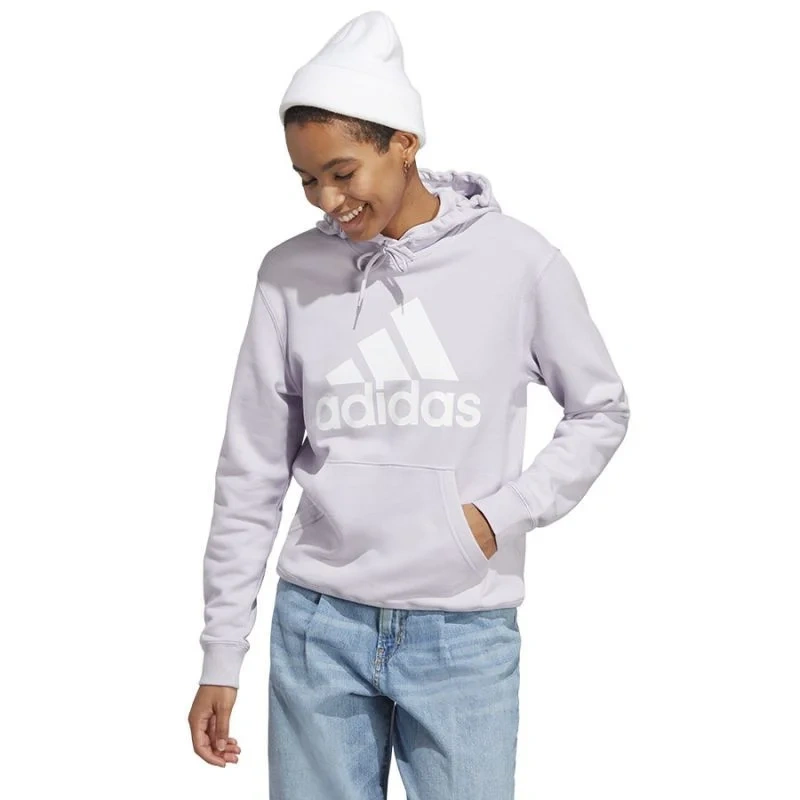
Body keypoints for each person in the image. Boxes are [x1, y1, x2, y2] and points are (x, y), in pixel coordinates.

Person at [187, 10, 630, 799]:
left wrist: (499, 515)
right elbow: (250, 471)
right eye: (307, 179)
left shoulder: (517, 263)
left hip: (461, 630)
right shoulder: (288, 275)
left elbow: (601, 409)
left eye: (342, 171)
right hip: (317, 626)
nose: (327, 198)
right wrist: (223, 653)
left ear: (405, 143)